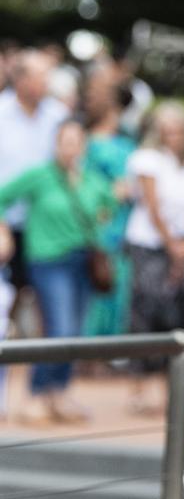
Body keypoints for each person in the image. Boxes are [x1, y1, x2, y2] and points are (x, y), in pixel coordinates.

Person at [0, 120, 117, 423]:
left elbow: (108, 205)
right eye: (65, 141)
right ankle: (37, 393)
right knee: (59, 328)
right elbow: (3, 196)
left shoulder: (91, 179)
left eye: (76, 141)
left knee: (75, 333)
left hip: (83, 261)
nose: (71, 147)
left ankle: (59, 392)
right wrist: (4, 232)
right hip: (49, 260)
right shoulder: (40, 175)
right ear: (55, 144)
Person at [124, 103, 184, 412]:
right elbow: (152, 206)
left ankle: (181, 387)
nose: (173, 136)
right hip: (150, 245)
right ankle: (141, 388)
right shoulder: (147, 160)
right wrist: (173, 245)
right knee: (148, 312)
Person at [0, 49, 69, 300]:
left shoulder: (58, 115)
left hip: (47, 226)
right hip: (6, 223)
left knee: (43, 297)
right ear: (20, 79)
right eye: (41, 76)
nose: (47, 83)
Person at [82, 65, 136, 337]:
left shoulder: (129, 138)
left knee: (119, 282)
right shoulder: (86, 139)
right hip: (98, 220)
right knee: (96, 280)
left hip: (123, 224)